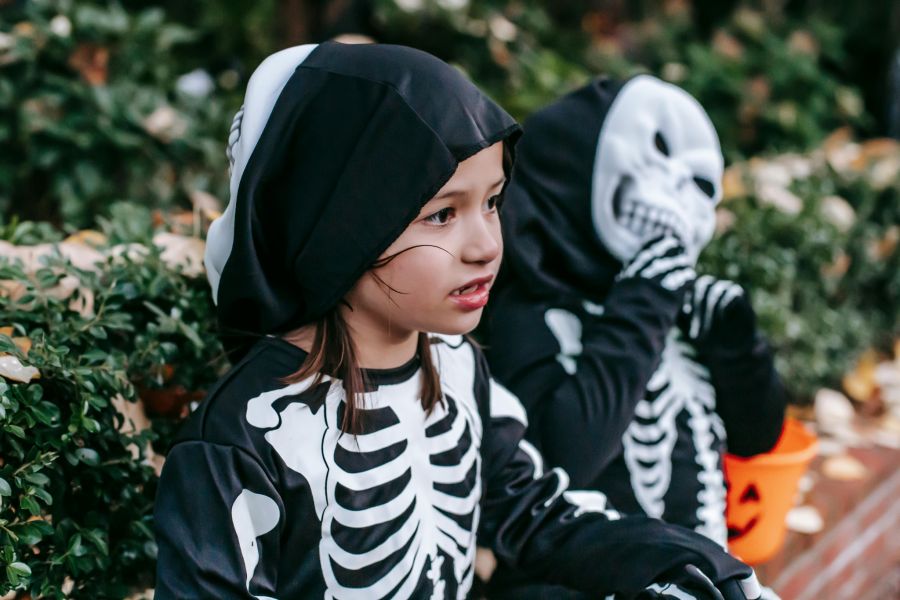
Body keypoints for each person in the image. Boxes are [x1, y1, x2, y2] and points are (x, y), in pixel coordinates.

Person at [153, 43, 761, 599]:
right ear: (339, 222)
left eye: (492, 202)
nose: (486, 246)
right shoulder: (238, 442)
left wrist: (691, 567)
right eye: (442, 215)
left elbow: (535, 514)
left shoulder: (453, 367)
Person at [482, 76, 786, 598]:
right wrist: (643, 302)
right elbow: (564, 459)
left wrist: (738, 346)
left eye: (699, 182)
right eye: (660, 153)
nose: (678, 192)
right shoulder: (528, 309)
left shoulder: (673, 304)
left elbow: (757, 436)